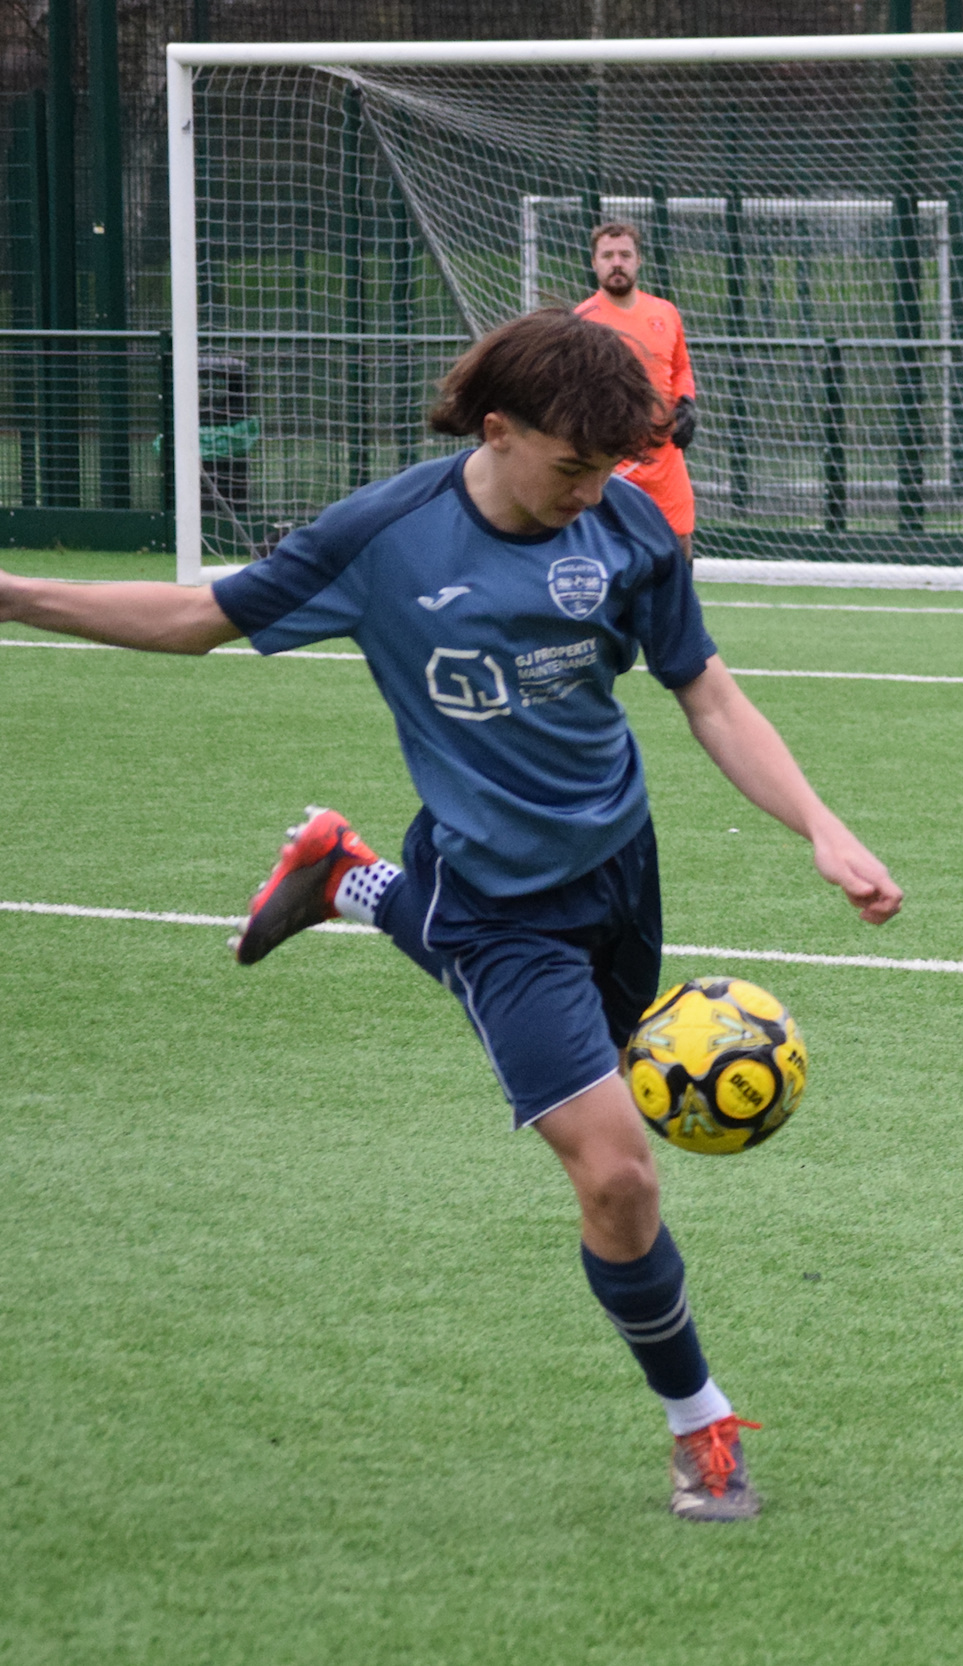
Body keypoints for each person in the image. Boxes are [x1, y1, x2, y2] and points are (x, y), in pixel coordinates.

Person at [0, 309, 901, 1522]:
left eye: (612, 467)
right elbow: (197, 618)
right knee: (619, 1175)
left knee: (614, 1097)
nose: (592, 493)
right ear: (497, 428)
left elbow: (706, 693)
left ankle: (347, 875)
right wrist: (15, 596)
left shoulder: (625, 526)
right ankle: (701, 1422)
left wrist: (822, 827)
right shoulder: (384, 537)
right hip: (494, 904)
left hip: (620, 868)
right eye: (573, 465)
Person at [575, 221, 699, 557]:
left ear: (638, 260)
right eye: (608, 256)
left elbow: (681, 367)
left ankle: (678, 594)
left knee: (679, 542)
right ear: (594, 262)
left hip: (663, 452)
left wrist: (686, 402)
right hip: (610, 456)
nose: (617, 263)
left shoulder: (665, 312)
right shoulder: (582, 320)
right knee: (608, 545)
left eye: (625, 255)